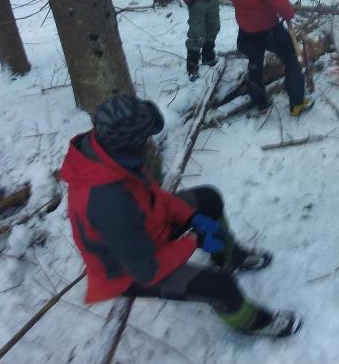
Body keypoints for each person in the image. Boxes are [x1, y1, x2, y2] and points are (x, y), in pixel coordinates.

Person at [60, 94, 302, 337]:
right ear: (132, 143)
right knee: (221, 286)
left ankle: (231, 257)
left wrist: (192, 218)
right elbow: (148, 270)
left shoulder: (111, 154)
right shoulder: (107, 200)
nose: (149, 142)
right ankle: (252, 323)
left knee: (208, 199)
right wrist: (194, 239)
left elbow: (155, 196)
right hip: (129, 272)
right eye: (146, 137)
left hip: (146, 230)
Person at [227, 0, 313, 117]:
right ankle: (297, 103)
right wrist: (288, 12)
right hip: (265, 24)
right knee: (291, 56)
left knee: (255, 61)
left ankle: (261, 103)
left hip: (245, 24)